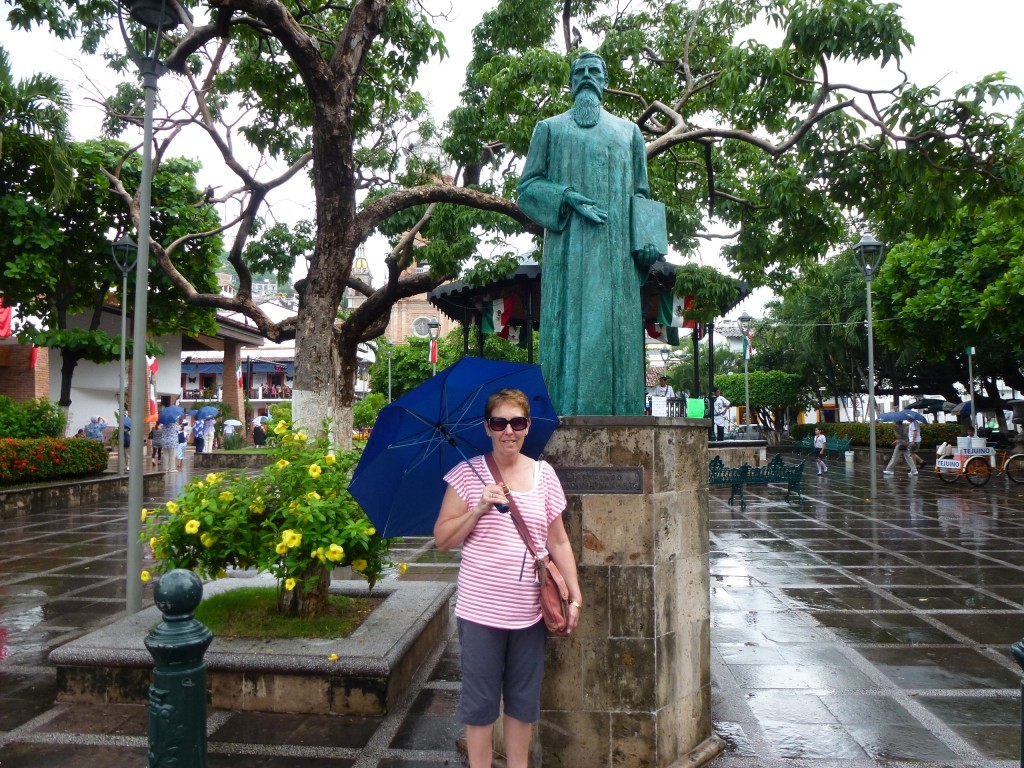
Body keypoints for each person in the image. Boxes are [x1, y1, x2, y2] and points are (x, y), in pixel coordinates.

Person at [434, 389, 582, 768]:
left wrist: (575, 595)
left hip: (530, 611)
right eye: (499, 423)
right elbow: (443, 541)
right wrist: (479, 506)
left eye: (517, 423)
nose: (508, 431)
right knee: (481, 706)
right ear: (487, 427)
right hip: (480, 612)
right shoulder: (467, 475)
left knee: (522, 702)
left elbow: (559, 541)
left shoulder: (543, 474)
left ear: (528, 426)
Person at [518, 52, 663, 417]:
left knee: (618, 338)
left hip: (618, 260)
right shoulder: (548, 128)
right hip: (568, 252)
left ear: (604, 81)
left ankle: (624, 415)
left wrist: (646, 244)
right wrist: (565, 197)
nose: (585, 76)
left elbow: (641, 194)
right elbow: (527, 188)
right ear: (571, 84)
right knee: (567, 335)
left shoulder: (629, 132)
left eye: (593, 71)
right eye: (578, 72)